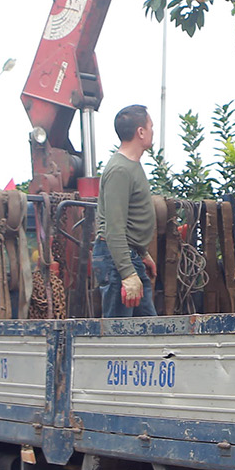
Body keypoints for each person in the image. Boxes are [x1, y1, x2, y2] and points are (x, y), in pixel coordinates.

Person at [94, 105, 158, 317]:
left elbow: (129, 219)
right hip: (117, 259)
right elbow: (114, 228)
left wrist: (142, 253)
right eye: (150, 127)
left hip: (129, 256)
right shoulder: (120, 170)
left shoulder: (132, 165)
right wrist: (127, 273)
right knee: (119, 335)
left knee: (149, 331)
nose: (152, 132)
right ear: (140, 132)